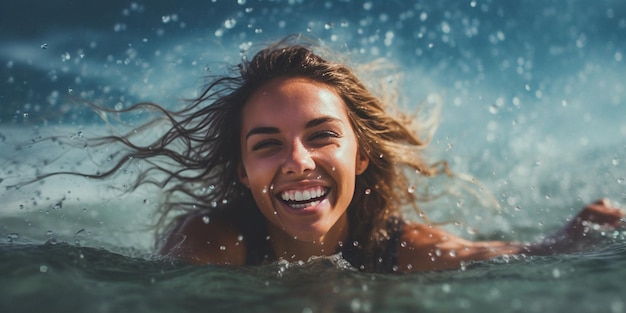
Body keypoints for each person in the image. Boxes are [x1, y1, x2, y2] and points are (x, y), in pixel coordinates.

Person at [22, 36, 625, 273]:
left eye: (322, 136)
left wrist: (577, 234)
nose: (297, 160)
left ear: (361, 155)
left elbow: (527, 252)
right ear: (241, 170)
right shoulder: (209, 246)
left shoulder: (404, 250)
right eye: (266, 145)